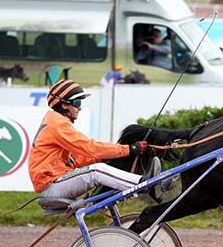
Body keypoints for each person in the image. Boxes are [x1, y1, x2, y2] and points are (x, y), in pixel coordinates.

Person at [28, 79, 163, 202]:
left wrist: (105, 158)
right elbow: (91, 147)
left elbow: (79, 159)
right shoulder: (57, 124)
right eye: (77, 102)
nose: (79, 107)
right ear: (64, 105)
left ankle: (151, 183)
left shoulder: (56, 122)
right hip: (52, 185)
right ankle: (145, 184)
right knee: (95, 171)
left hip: (57, 182)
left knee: (97, 166)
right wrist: (129, 149)